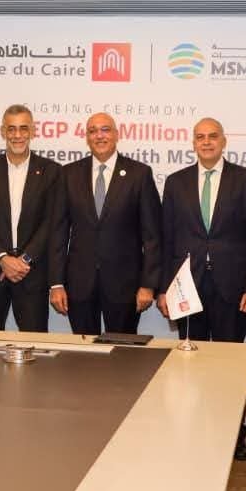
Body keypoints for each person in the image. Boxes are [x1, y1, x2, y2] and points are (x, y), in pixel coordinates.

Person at [158, 117, 246, 459]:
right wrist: (164, 289)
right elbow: (165, 240)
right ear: (193, 143)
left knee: (229, 367)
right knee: (189, 365)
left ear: (224, 141)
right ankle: (191, 429)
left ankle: (233, 435)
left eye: (212, 136)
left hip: (232, 288)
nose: (206, 142)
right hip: (186, 288)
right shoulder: (176, 182)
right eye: (200, 137)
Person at [51, 113, 161, 335]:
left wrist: (148, 284)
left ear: (116, 135)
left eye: (105, 130)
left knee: (122, 351)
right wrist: (56, 284)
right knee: (84, 352)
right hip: (79, 285)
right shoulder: (68, 174)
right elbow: (58, 232)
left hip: (125, 286)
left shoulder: (139, 174)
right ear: (87, 137)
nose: (99, 136)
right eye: (93, 131)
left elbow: (152, 236)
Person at [0, 104, 62, 332]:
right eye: (11, 129)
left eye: (23, 128)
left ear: (33, 131)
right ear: (3, 132)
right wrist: (3, 258)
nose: (17, 135)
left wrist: (24, 260)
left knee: (34, 344)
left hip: (32, 274)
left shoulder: (51, 170)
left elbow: (50, 221)